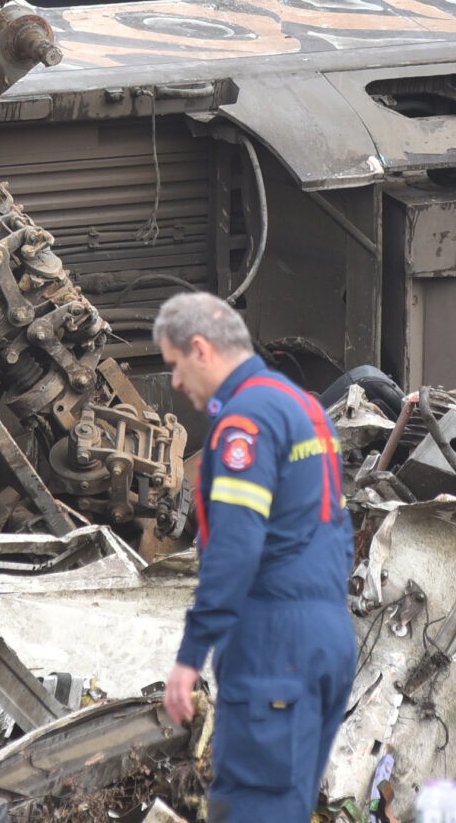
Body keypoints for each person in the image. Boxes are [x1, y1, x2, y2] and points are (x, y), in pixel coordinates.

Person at [155, 292, 356, 823]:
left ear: (201, 350)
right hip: (327, 643)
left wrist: (189, 656)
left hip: (274, 650)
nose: (175, 382)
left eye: (175, 366)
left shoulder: (245, 420)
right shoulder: (304, 407)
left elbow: (236, 545)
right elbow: (340, 530)